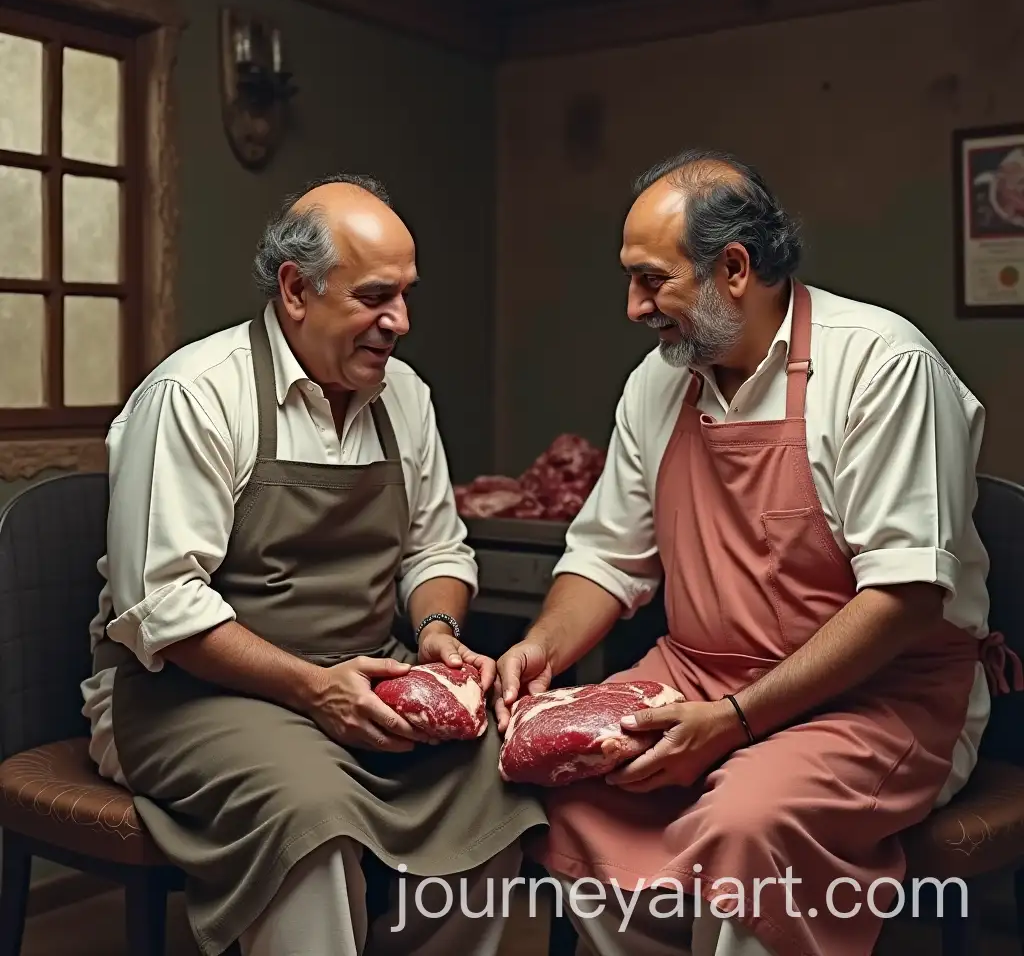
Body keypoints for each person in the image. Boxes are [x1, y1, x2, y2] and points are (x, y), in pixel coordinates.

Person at [494, 148, 1020, 956]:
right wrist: (539, 651)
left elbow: (906, 595)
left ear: (733, 269)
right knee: (564, 797)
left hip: (880, 697)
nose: (633, 307)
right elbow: (605, 558)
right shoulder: (657, 384)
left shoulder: (882, 365)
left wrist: (737, 722)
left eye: (651, 280)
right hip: (695, 676)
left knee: (746, 822)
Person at [81, 174, 546, 956]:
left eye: (405, 294)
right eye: (373, 297)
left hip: (361, 671)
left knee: (494, 783)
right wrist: (313, 690)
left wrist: (434, 631)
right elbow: (162, 605)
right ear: (296, 291)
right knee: (312, 816)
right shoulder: (197, 394)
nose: (398, 321)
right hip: (188, 694)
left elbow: (435, 547)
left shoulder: (405, 397)